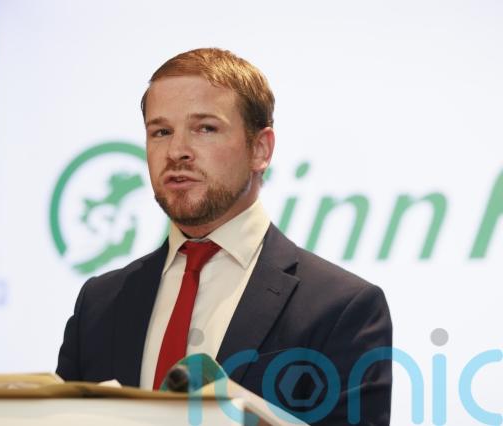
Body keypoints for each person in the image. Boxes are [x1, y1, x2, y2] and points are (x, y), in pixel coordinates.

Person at [57, 48, 392, 425]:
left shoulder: (342, 307)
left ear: (260, 149)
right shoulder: (99, 303)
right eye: (161, 132)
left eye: (205, 128)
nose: (177, 151)